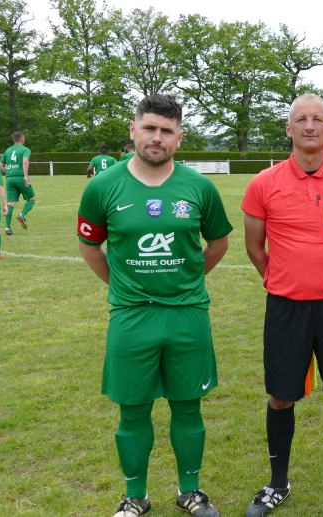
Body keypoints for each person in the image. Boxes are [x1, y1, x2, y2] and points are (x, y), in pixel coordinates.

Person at [76, 93, 232, 517]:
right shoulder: (102, 187)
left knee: (188, 407)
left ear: (179, 137)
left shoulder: (199, 187)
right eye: (149, 128)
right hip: (131, 316)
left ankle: (191, 493)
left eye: (166, 130)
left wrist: (189, 280)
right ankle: (134, 497)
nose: (157, 137)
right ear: (133, 131)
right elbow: (90, 245)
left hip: (187, 314)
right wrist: (123, 287)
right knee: (133, 411)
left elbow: (218, 243)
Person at [240, 94, 323, 517]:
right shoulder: (264, 183)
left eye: (318, 119)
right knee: (281, 398)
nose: (310, 125)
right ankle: (277, 485)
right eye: (301, 119)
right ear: (289, 129)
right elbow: (255, 248)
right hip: (286, 307)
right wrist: (283, 278)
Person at [0, 131, 35, 235]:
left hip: (10, 179)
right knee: (31, 198)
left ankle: (7, 228)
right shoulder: (25, 150)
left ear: (14, 140)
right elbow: (25, 161)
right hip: (20, 177)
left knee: (10, 203)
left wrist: (9, 173)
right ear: (22, 139)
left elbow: (0, 166)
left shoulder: (8, 150)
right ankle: (22, 215)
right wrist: (25, 176)